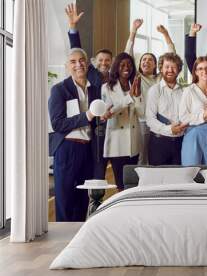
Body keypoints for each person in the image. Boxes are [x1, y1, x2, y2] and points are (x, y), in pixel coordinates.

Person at [48, 48, 99, 221]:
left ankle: (78, 243)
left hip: (87, 150)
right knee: (65, 201)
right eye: (73, 61)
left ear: (88, 63)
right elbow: (58, 124)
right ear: (67, 66)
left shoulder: (94, 90)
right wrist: (87, 116)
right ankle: (63, 245)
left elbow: (95, 120)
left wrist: (101, 117)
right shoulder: (59, 90)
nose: (78, 64)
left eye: (82, 60)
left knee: (82, 201)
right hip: (67, 149)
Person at [65, 3, 111, 182]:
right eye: (100, 60)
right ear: (94, 62)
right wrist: (73, 27)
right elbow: (77, 52)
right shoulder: (92, 73)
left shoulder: (118, 76)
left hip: (113, 130)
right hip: (93, 127)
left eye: (108, 60)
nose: (104, 63)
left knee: (103, 172)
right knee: (90, 170)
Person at [124, 18, 177, 165]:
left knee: (156, 157)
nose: (146, 62)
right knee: (142, 157)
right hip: (141, 121)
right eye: (143, 60)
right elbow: (127, 55)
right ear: (140, 64)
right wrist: (133, 31)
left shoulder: (161, 78)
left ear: (155, 65)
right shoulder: (136, 77)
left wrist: (165, 34)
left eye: (150, 60)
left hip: (160, 122)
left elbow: (173, 56)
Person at [101, 52, 143, 191]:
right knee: (121, 184)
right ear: (116, 67)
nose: (127, 67)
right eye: (122, 64)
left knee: (133, 184)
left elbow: (142, 113)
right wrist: (129, 97)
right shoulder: (107, 88)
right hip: (117, 142)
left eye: (129, 64)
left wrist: (137, 96)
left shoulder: (136, 85)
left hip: (133, 142)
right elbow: (108, 113)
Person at [146, 53, 187, 165]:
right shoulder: (154, 90)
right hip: (159, 143)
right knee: (158, 179)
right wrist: (170, 129)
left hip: (180, 142)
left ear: (178, 70)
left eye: (173, 67)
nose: (170, 70)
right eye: (167, 67)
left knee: (178, 179)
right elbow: (150, 119)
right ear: (161, 68)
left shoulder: (184, 91)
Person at [179, 57, 207, 165]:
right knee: (191, 172)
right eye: (200, 69)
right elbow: (183, 117)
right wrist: (204, 115)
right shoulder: (189, 91)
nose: (204, 71)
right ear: (196, 72)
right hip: (194, 134)